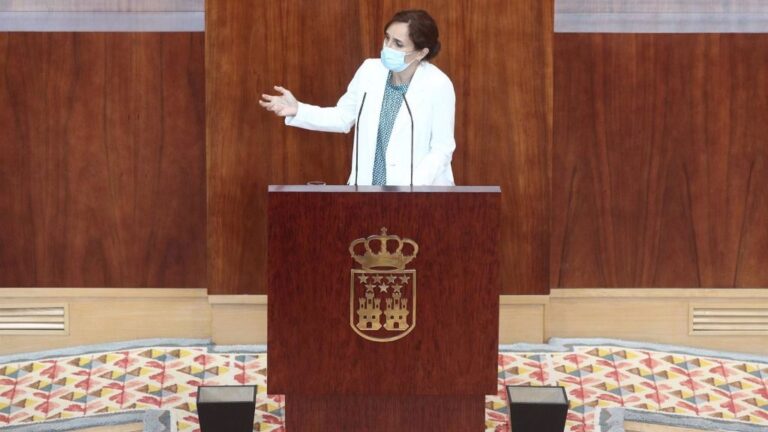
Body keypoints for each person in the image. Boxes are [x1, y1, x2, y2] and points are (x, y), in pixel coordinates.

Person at [260, 9, 456, 186]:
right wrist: (299, 109)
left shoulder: (437, 84)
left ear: (421, 53)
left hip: (418, 195)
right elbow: (343, 117)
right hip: (366, 190)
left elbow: (442, 148)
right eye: (387, 39)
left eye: (398, 44)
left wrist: (409, 188)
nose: (388, 48)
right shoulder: (370, 70)